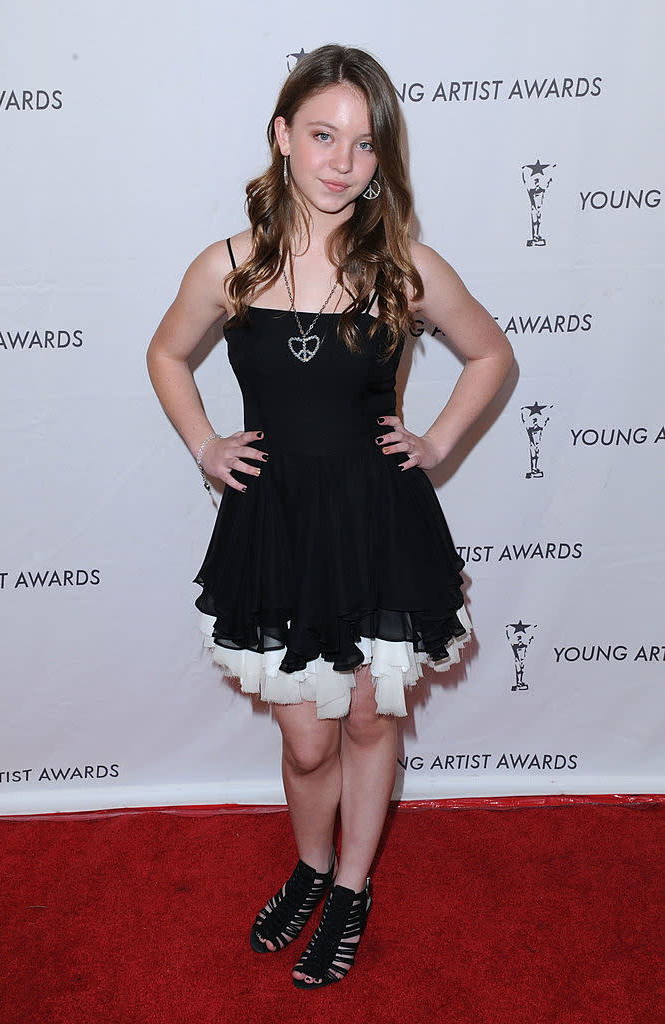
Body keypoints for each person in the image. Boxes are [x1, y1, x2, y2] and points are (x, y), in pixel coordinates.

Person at [147, 44, 513, 990]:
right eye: (322, 135)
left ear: (380, 160)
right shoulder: (227, 266)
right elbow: (165, 356)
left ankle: (349, 887)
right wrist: (203, 446)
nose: (341, 161)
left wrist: (434, 443)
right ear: (282, 138)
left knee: (363, 719)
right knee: (305, 736)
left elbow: (490, 356)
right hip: (278, 527)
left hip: (376, 523)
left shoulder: (402, 268)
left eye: (362, 144)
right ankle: (310, 869)